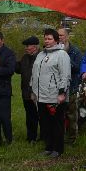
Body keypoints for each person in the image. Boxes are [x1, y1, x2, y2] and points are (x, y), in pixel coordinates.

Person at [31, 27, 71, 157]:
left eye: (50, 38)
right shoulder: (41, 54)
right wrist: (33, 89)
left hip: (55, 96)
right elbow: (35, 73)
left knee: (57, 124)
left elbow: (65, 75)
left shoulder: (62, 54)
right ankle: (48, 147)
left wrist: (62, 93)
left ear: (56, 40)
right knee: (45, 124)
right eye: (45, 38)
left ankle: (57, 149)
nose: (47, 41)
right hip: (41, 95)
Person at [17, 35, 41, 142]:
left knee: (40, 116)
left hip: (38, 93)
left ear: (35, 47)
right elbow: (17, 69)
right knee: (29, 116)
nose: (26, 48)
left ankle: (43, 136)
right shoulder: (25, 57)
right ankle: (31, 137)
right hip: (26, 92)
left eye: (28, 46)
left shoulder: (41, 57)